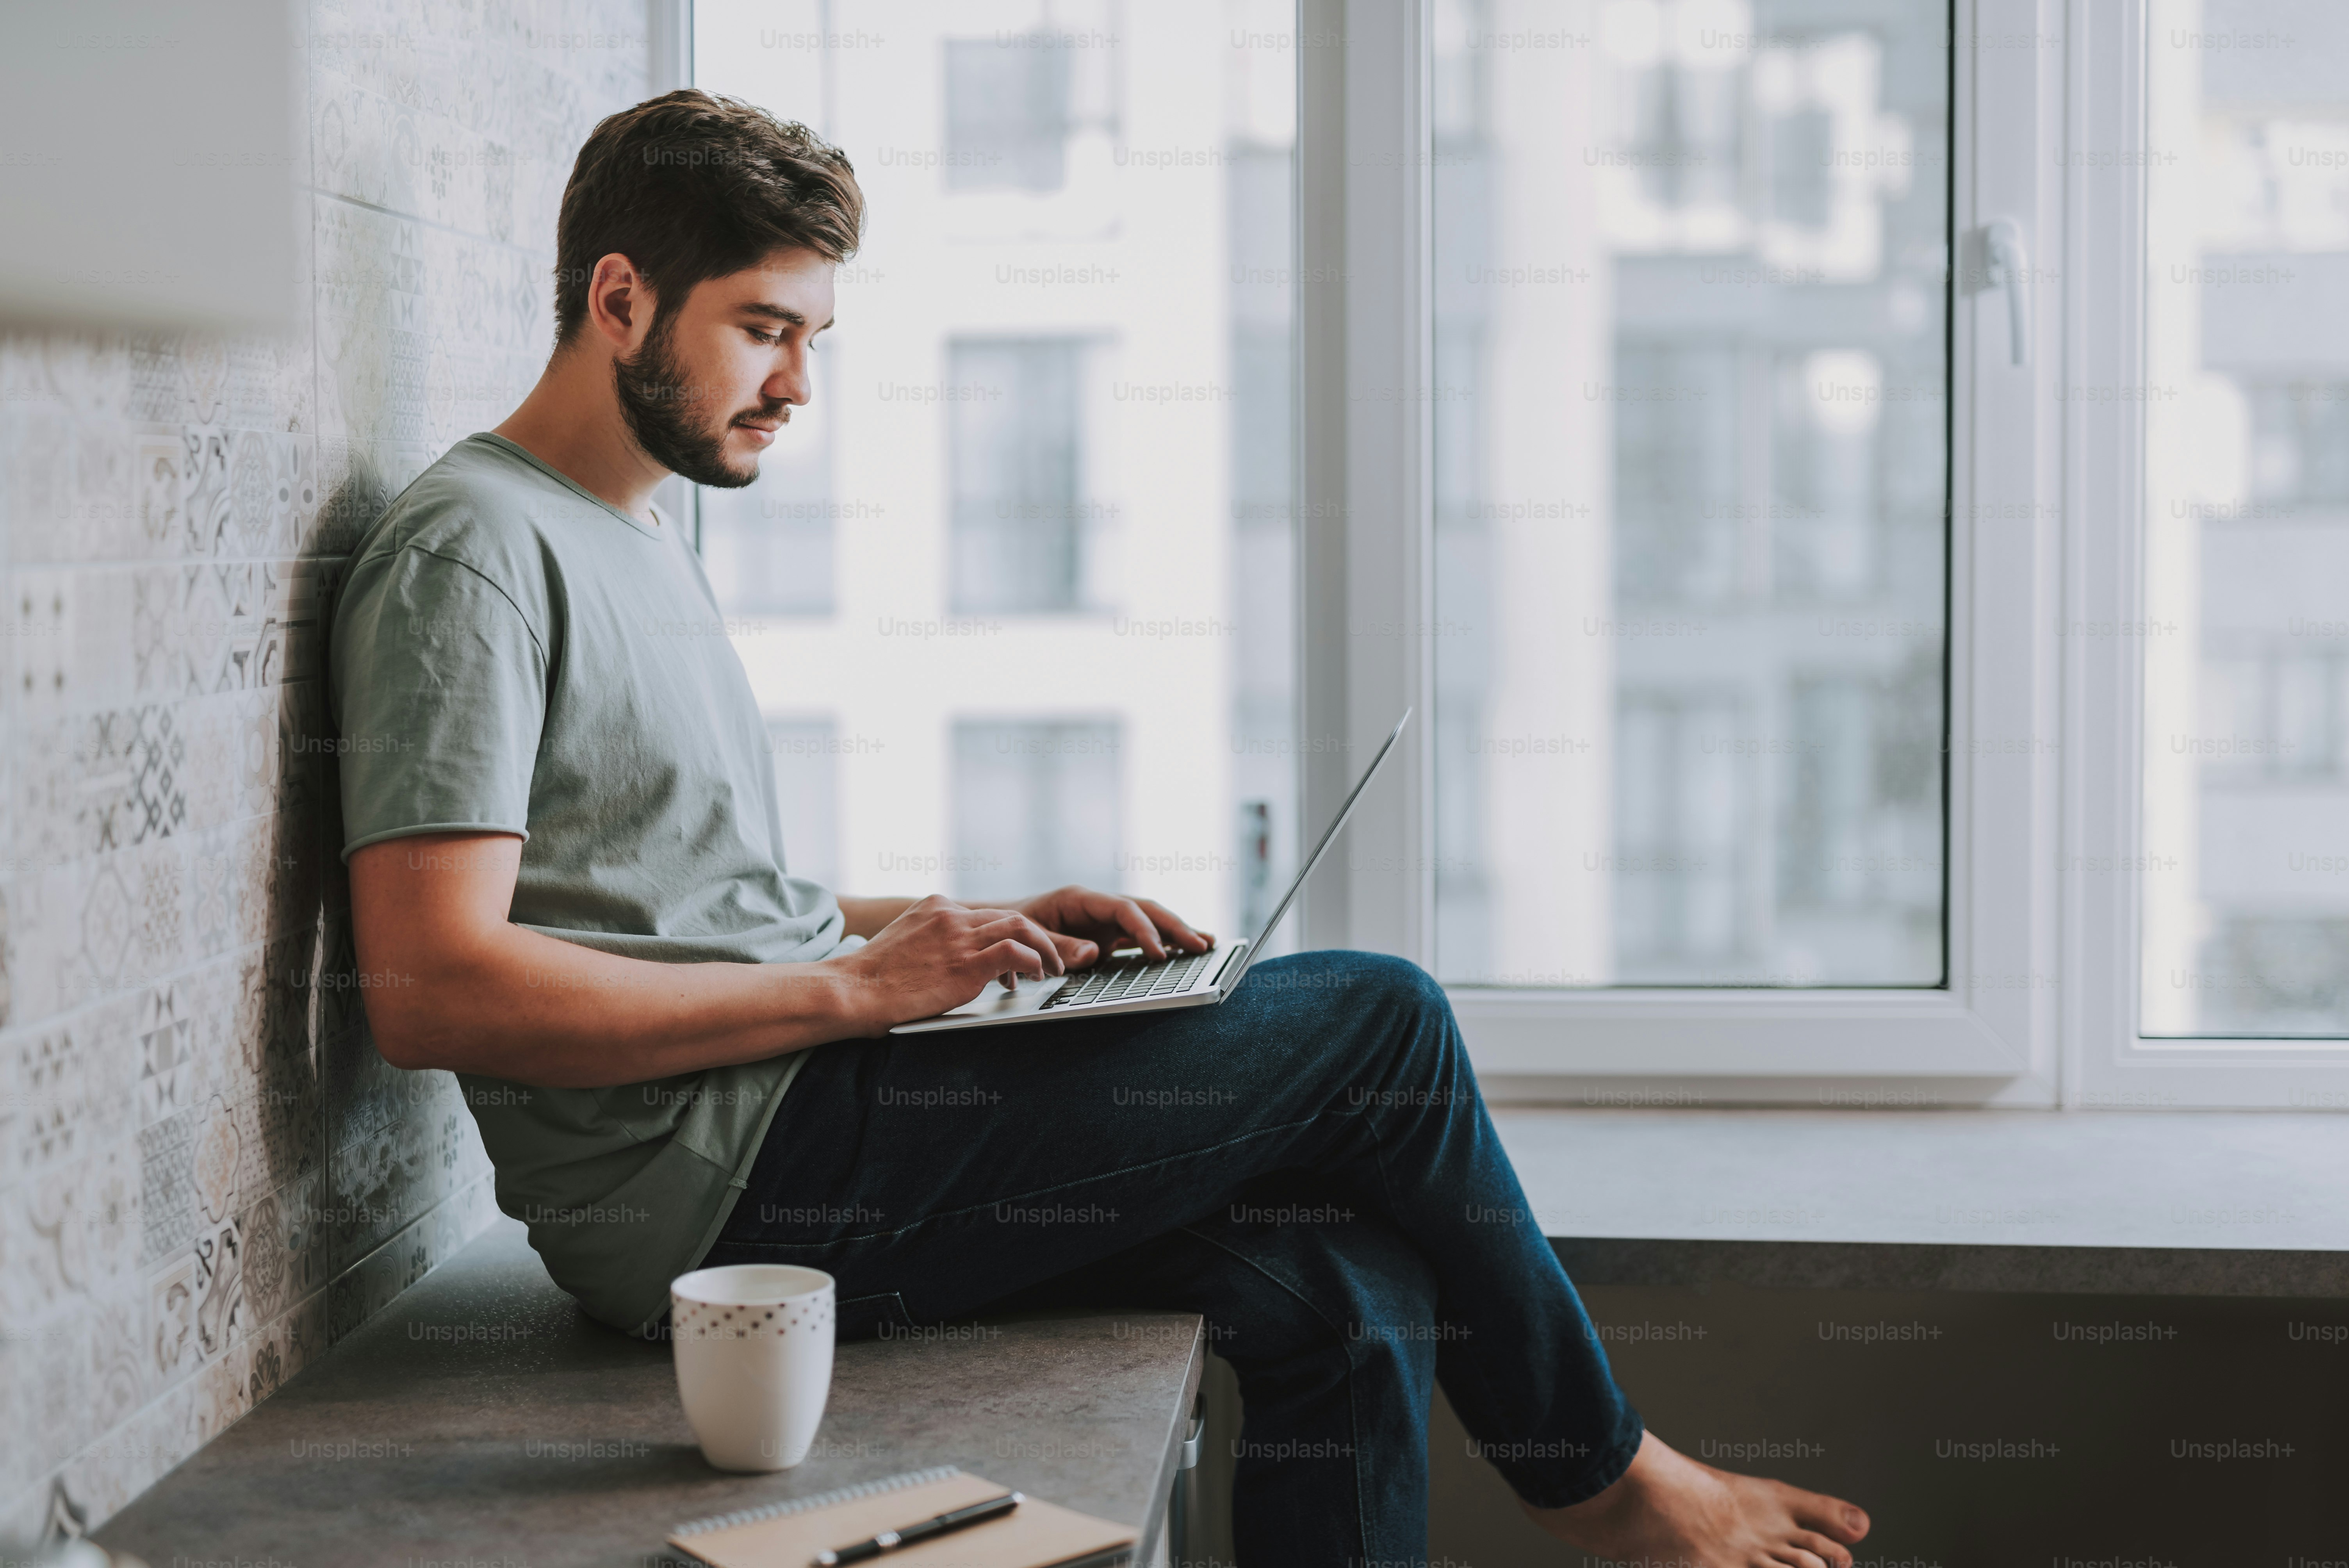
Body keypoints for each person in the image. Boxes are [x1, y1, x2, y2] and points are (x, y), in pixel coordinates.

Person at [328, 88, 1874, 1568]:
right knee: (1384, 1020)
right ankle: (1605, 1481)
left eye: (815, 337)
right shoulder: (472, 548)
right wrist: (856, 990)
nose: (798, 382)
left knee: (1356, 1290)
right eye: (763, 328)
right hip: (729, 1189)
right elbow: (433, 984)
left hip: (811, 1106)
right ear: (619, 300)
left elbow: (677, 901)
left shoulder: (639, 531)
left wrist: (962, 928)